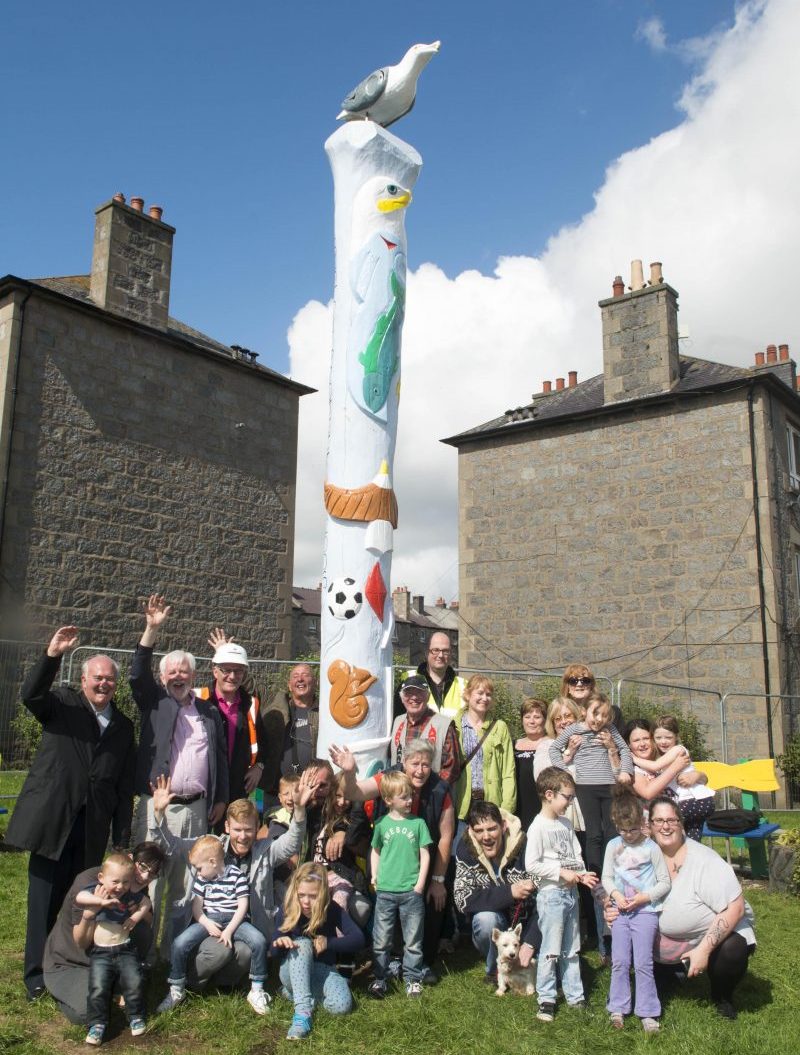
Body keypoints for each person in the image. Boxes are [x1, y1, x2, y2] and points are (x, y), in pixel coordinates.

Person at [7, 626, 136, 1000]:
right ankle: (35, 974)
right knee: (43, 899)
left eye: (110, 679)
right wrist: (52, 655)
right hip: (52, 820)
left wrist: (122, 840)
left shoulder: (124, 727)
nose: (104, 684)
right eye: (97, 678)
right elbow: (30, 695)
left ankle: (65, 963)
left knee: (78, 900)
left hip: (91, 827)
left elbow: (123, 788)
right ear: (83, 680)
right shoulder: (61, 705)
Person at [148, 769, 317, 991]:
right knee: (220, 951)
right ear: (227, 827)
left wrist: (300, 810)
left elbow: (292, 843)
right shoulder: (210, 845)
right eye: (237, 829)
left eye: (249, 830)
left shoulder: (264, 851)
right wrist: (159, 814)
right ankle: (191, 981)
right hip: (211, 923)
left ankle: (222, 984)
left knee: (245, 953)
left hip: (247, 924)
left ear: (257, 829)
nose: (243, 836)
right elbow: (172, 846)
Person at [129, 594, 229, 959]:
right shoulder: (155, 703)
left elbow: (218, 757)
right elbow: (136, 675)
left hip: (199, 809)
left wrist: (220, 798)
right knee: (150, 879)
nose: (177, 677)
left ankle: (173, 953)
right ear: (162, 677)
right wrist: (151, 630)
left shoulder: (207, 712)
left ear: (193, 677)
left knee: (188, 884)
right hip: (161, 807)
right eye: (171, 672)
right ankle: (143, 953)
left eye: (183, 672)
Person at [607, 795, 756, 1020]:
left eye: (672, 820)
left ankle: (722, 996)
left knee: (732, 949)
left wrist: (704, 949)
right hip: (657, 938)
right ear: (649, 826)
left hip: (705, 936)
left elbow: (735, 908)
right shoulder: (639, 853)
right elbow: (613, 883)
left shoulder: (705, 860)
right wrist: (610, 907)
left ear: (681, 823)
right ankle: (671, 972)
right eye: (659, 821)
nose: (665, 826)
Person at [331, 739, 455, 984]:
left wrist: (438, 880)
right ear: (403, 763)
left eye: (426, 765)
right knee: (386, 920)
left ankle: (419, 964)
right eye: (414, 763)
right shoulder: (388, 778)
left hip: (424, 867)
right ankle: (389, 963)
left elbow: (446, 837)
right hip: (389, 865)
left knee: (425, 915)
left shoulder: (441, 789)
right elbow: (353, 792)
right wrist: (348, 771)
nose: (420, 770)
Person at [44, 843, 165, 1027]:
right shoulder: (88, 883)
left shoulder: (134, 884)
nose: (145, 877)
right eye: (143, 868)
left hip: (105, 956)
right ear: (131, 860)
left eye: (153, 873)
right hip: (71, 961)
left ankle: (115, 983)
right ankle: (85, 989)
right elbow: (82, 942)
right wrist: (90, 913)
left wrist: (137, 913)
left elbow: (148, 920)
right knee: (87, 1015)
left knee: (141, 928)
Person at [157, 834, 269, 1015]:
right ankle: (176, 987)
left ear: (212, 861)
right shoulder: (202, 880)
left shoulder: (237, 876)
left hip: (235, 920)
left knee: (259, 941)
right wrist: (206, 923)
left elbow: (242, 906)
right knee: (180, 943)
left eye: (199, 868)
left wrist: (229, 930)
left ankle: (256, 989)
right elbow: (197, 907)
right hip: (210, 918)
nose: (197, 872)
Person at [526, 767, 599, 1022]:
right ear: (549, 794)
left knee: (572, 948)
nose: (570, 802)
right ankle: (546, 998)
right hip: (551, 896)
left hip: (571, 896)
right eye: (566, 797)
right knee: (551, 949)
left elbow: (575, 856)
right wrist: (560, 872)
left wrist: (582, 875)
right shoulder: (538, 827)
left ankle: (575, 996)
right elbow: (532, 865)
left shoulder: (566, 824)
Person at [601, 789, 670, 1033]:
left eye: (632, 829)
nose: (628, 835)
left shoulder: (651, 848)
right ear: (615, 824)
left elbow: (664, 882)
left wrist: (643, 898)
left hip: (646, 911)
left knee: (643, 962)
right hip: (621, 912)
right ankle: (617, 1007)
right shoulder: (613, 846)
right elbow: (606, 878)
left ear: (642, 823)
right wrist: (616, 896)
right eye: (622, 830)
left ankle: (648, 1012)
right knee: (619, 960)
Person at [272, 863, 365, 1040]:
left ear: (322, 895)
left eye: (313, 896)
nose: (306, 901)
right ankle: (302, 1014)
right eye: (301, 895)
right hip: (291, 972)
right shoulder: (288, 910)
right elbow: (273, 949)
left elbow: (358, 938)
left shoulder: (332, 910)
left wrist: (329, 942)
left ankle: (293, 994)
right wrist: (280, 943)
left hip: (323, 970)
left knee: (342, 1006)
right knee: (303, 944)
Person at [453, 800, 539, 983]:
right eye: (479, 831)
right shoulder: (465, 849)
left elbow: (545, 897)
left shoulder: (526, 845)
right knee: (485, 920)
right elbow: (462, 898)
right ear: (470, 831)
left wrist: (531, 941)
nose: (486, 836)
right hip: (497, 928)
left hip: (527, 925)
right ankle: (496, 970)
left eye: (492, 829)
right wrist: (510, 892)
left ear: (504, 826)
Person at [75, 852, 152, 1045]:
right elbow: (80, 896)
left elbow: (147, 903)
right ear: (101, 878)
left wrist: (136, 917)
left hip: (124, 948)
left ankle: (135, 1015)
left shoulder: (129, 895)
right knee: (98, 987)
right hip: (100, 952)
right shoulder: (97, 892)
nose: (120, 887)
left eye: (126, 882)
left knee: (134, 981)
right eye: (115, 881)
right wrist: (100, 902)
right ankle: (97, 1024)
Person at [368, 771, 432, 999]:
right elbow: (375, 851)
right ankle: (380, 978)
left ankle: (412, 979)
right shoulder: (382, 824)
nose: (409, 800)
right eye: (404, 797)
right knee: (382, 939)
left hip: (411, 892)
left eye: (410, 796)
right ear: (388, 800)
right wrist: (374, 875)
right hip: (385, 891)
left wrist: (420, 884)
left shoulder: (418, 824)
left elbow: (425, 855)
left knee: (413, 940)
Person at [194, 633, 268, 817]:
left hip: (239, 787)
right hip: (204, 786)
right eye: (226, 670)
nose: (232, 676)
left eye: (239, 671)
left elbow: (264, 742)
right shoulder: (198, 699)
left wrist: (259, 766)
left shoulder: (251, 704)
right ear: (215, 671)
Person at [455, 675, 516, 822]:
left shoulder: (500, 727)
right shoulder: (454, 726)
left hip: (492, 803)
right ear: (468, 695)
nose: (485, 698)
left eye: (488, 694)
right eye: (480, 693)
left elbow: (508, 771)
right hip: (462, 802)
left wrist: (506, 810)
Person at [389, 675, 461, 785]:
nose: (414, 697)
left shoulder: (444, 725)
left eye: (419, 692)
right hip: (399, 795)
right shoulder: (397, 722)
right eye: (408, 693)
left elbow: (452, 769)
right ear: (402, 699)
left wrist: (435, 792)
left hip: (431, 797)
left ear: (427, 697)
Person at [652, 715, 714, 840]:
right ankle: (690, 856)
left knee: (670, 821)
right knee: (691, 840)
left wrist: (697, 775)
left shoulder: (678, 751)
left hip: (695, 800)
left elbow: (655, 766)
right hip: (685, 801)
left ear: (676, 737)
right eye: (658, 737)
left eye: (668, 737)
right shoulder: (657, 755)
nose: (663, 741)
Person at [261, 664, 319, 794]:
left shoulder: (324, 712)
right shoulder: (274, 703)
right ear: (289, 685)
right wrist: (224, 653)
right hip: (275, 792)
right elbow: (248, 684)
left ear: (315, 682)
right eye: (295, 676)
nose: (300, 679)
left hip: (312, 792)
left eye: (305, 675)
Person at [627, 719, 703, 817]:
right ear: (629, 745)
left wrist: (698, 775)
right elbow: (648, 793)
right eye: (636, 740)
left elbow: (701, 779)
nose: (642, 744)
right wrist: (675, 767)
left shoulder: (665, 756)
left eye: (646, 738)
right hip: (655, 821)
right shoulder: (633, 769)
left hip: (684, 807)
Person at [397, 632, 465, 717]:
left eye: (445, 651)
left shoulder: (464, 686)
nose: (440, 655)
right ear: (426, 652)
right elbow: (397, 719)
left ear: (451, 654)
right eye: (436, 650)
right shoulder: (408, 680)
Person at [559, 663, 626, 735]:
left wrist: (611, 745)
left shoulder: (612, 712)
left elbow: (622, 742)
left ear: (591, 686)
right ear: (567, 687)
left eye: (585, 680)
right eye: (573, 681)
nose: (579, 684)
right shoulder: (560, 714)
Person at [514, 698, 549, 832]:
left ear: (545, 720)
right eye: (527, 716)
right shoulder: (513, 744)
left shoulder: (552, 744)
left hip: (542, 808)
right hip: (518, 810)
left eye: (537, 717)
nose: (532, 721)